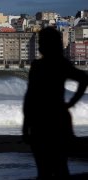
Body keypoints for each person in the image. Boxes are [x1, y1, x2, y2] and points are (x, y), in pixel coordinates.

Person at [22, 27, 88, 179]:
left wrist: (26, 126)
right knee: (60, 167)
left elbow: (30, 97)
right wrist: (71, 103)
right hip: (58, 118)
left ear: (48, 44)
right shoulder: (61, 64)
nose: (39, 46)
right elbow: (84, 79)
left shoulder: (38, 66)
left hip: (42, 122)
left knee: (45, 170)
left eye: (42, 42)